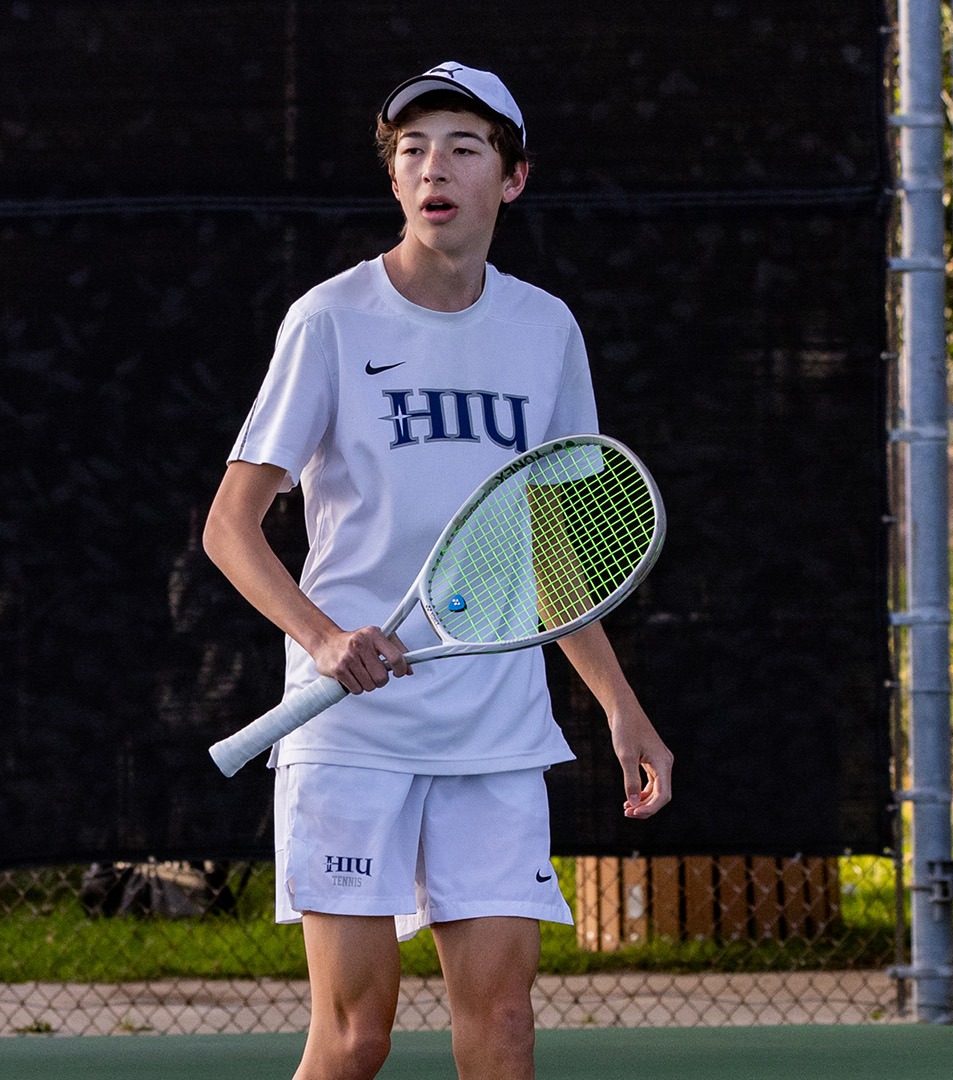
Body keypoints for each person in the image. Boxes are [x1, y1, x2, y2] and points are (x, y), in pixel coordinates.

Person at [204, 61, 673, 1080]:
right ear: (395, 180)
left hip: (495, 732)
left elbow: (556, 548)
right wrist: (325, 639)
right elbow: (231, 526)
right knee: (356, 1037)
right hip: (351, 728)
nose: (434, 167)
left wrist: (619, 709)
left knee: (502, 1025)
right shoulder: (329, 321)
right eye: (412, 150)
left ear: (512, 179)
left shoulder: (544, 331)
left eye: (463, 146)